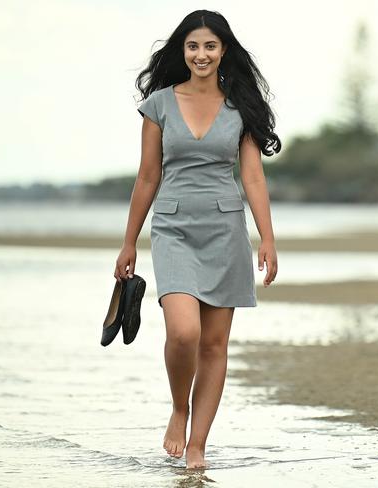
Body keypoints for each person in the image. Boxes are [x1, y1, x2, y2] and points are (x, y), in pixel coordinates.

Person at [114, 9, 280, 469]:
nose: (201, 54)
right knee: (184, 332)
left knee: (214, 345)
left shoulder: (241, 107)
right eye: (193, 46)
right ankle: (179, 408)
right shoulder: (160, 105)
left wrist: (267, 239)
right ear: (182, 51)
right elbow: (148, 177)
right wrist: (129, 242)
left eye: (210, 45)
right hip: (173, 228)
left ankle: (198, 444)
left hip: (226, 230)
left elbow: (253, 178)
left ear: (223, 50)